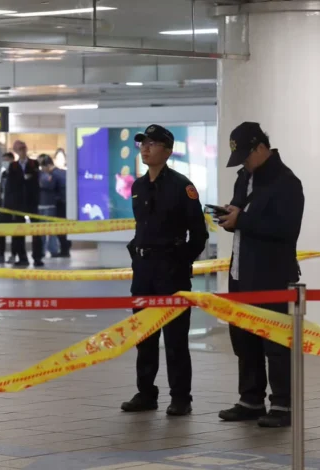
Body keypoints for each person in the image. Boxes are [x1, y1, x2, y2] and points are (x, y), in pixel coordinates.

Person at [216, 122, 304, 428]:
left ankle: (282, 405)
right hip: (241, 271)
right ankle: (250, 400)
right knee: (244, 339)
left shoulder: (286, 182)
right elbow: (243, 216)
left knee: (276, 342)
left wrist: (242, 220)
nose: (244, 163)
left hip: (272, 275)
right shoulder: (244, 178)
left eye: (246, 156)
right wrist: (230, 216)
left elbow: (286, 230)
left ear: (262, 148)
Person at [120, 125, 208, 415]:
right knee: (144, 335)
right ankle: (146, 393)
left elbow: (199, 235)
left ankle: (181, 397)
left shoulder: (183, 187)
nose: (145, 148)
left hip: (171, 271)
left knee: (175, 339)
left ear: (168, 151)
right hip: (143, 271)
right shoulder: (138, 186)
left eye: (153, 144)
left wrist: (180, 262)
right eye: (143, 143)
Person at [4, 140, 43, 267]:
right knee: (19, 231)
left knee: (36, 231)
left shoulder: (34, 163)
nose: (22, 150)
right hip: (18, 203)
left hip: (32, 202)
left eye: (24, 148)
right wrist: (9, 205)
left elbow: (36, 181)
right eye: (20, 149)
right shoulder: (13, 166)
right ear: (16, 151)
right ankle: (22, 257)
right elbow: (10, 186)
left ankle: (37, 257)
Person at [0, 152, 16, 264]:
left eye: (7, 160)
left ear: (12, 161)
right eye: (3, 160)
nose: (5, 163)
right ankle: (1, 254)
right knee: (1, 232)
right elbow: (1, 191)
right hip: (2, 207)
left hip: (12, 209)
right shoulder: (3, 174)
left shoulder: (16, 174)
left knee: (14, 233)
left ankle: (13, 255)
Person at [38, 155, 61, 257]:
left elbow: (50, 186)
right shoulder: (39, 175)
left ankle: (53, 249)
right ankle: (41, 250)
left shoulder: (54, 175)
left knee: (52, 230)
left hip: (50, 205)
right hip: (40, 205)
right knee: (41, 230)